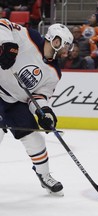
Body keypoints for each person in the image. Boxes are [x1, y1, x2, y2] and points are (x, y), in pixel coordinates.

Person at [0, 20, 73, 195]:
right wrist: (8, 44)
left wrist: (44, 112)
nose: (66, 50)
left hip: (15, 101)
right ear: (54, 40)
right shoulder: (29, 37)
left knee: (35, 139)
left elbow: (39, 97)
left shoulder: (54, 72)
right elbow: (2, 23)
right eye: (65, 45)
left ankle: (44, 176)